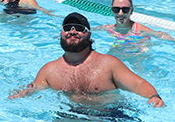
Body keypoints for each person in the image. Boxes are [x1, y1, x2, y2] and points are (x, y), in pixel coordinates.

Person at [9, 12, 164, 106]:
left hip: (110, 117)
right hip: (69, 116)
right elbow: (33, 88)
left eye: (79, 28)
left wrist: (154, 97)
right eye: (68, 28)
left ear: (89, 34)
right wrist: (18, 95)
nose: (73, 31)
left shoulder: (108, 64)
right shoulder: (49, 70)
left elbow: (138, 84)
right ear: (61, 34)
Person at [94, 0, 175, 41]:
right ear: (112, 10)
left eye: (125, 9)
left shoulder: (142, 31)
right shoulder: (109, 28)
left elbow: (160, 34)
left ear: (131, 10)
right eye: (116, 9)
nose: (120, 13)